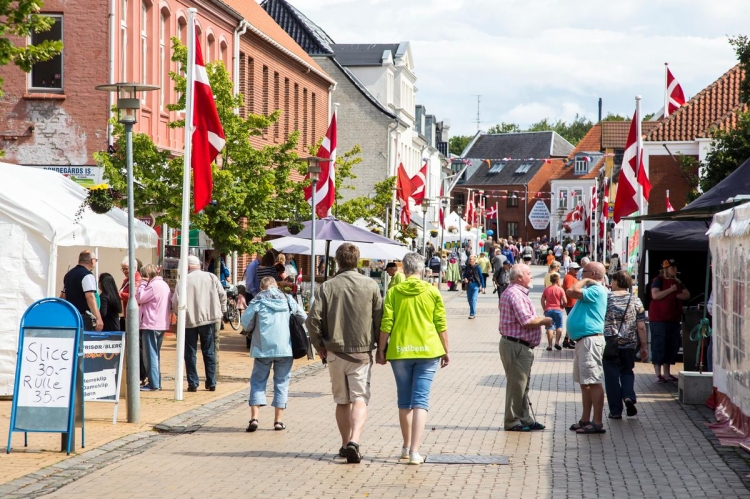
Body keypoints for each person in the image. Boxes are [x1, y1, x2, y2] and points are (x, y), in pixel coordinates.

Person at [306, 243, 382, 464]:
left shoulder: (327, 287)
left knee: (341, 400)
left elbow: (312, 320)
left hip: (335, 352)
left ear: (337, 261)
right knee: (360, 398)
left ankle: (344, 443)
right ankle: (355, 441)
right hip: (361, 352)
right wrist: (380, 347)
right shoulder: (371, 285)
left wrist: (319, 344)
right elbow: (380, 319)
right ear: (357, 260)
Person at [376, 252, 449, 465]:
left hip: (400, 351)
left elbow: (386, 323)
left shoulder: (394, 292)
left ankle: (406, 446)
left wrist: (381, 349)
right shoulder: (432, 291)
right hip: (428, 351)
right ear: (421, 270)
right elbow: (440, 323)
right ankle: (416, 451)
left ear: (404, 270)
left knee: (404, 401)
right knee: (421, 401)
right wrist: (446, 349)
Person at [242, 276, 306, 432]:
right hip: (285, 348)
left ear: (262, 288)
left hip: (262, 348)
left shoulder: (258, 300)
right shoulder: (287, 298)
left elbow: (246, 322)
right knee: (282, 383)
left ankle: (254, 418)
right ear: (276, 286)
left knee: (258, 381)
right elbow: (303, 317)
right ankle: (278, 421)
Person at [498, 264, 553, 431]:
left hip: (518, 345)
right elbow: (527, 321)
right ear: (520, 277)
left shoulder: (516, 292)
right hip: (516, 345)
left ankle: (525, 419)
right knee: (517, 385)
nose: (531, 277)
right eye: (529, 274)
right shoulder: (516, 294)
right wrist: (545, 320)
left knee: (521, 385)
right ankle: (513, 421)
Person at [171, 255, 227, 392]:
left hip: (189, 320)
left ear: (188, 266)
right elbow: (222, 294)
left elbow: (175, 302)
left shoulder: (183, 281)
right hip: (208, 319)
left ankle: (193, 383)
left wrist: (180, 314)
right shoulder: (211, 277)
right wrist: (222, 310)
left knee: (190, 353)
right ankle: (212, 381)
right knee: (209, 351)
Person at [565, 261, 608, 435]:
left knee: (593, 380)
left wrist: (585, 280)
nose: (581, 274)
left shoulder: (596, 289)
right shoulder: (593, 289)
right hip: (584, 340)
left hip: (590, 341)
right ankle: (585, 418)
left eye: (585, 271)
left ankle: (597, 421)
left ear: (594, 273)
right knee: (585, 383)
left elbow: (571, 291)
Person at [603, 271, 648, 419]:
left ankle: (615, 411)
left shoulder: (606, 298)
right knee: (627, 371)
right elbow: (641, 326)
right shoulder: (635, 300)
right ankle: (628, 396)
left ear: (616, 282)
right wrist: (644, 346)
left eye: (613, 280)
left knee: (611, 377)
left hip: (609, 343)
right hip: (629, 344)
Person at [649, 259, 690, 383]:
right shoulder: (658, 280)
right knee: (659, 344)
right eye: (673, 268)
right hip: (659, 319)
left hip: (673, 319)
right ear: (666, 268)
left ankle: (667, 374)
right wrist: (671, 291)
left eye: (676, 268)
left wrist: (675, 294)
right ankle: (658, 374)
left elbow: (687, 294)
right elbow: (655, 295)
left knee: (672, 345)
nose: (676, 270)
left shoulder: (677, 282)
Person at [136, 264, 172, 392]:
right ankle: (156, 382)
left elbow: (139, 297)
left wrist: (141, 284)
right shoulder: (164, 285)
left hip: (151, 323)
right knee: (155, 355)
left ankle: (154, 384)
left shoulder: (153, 285)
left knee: (150, 355)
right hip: (160, 323)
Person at [61, 250, 103, 332]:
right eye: (95, 260)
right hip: (82, 317)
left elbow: (63, 296)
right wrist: (98, 318)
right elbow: (90, 297)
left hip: (70, 315)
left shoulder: (68, 274)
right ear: (92, 261)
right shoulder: (87, 275)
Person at [541, 272, 566, 351]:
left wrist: (544, 308)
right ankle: (557, 342)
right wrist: (563, 306)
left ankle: (549, 345)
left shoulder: (547, 289)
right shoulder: (560, 289)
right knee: (559, 326)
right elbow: (565, 301)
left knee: (549, 327)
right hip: (558, 310)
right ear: (558, 281)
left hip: (548, 310)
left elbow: (542, 299)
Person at [561, 263, 580, 349]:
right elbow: (569, 289)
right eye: (575, 269)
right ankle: (569, 340)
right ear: (570, 269)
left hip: (572, 302)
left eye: (577, 269)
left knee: (573, 321)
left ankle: (567, 340)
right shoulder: (569, 277)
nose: (577, 271)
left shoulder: (572, 277)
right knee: (573, 322)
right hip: (571, 303)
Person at [462, 254, 485, 319]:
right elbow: (464, 275)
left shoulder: (478, 267)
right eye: (469, 259)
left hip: (475, 285)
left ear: (474, 260)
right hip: (469, 285)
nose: (469, 260)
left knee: (473, 299)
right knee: (469, 300)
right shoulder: (467, 267)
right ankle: (473, 310)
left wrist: (483, 287)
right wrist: (465, 278)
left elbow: (481, 277)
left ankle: (472, 313)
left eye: (470, 259)